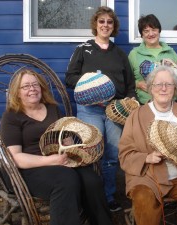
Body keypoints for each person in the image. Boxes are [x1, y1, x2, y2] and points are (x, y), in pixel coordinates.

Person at [0, 69, 113, 225]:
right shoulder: (12, 116)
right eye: (25, 86)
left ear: (41, 88)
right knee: (65, 179)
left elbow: (65, 137)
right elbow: (16, 158)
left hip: (60, 161)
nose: (32, 89)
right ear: (17, 92)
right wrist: (51, 161)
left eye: (35, 84)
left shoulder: (53, 109)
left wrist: (70, 145)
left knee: (92, 180)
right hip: (27, 170)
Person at [118, 66, 177, 225]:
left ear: (174, 89)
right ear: (150, 88)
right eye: (158, 84)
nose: (163, 88)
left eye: (168, 84)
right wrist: (147, 157)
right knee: (143, 199)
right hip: (147, 177)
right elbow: (125, 153)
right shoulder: (136, 116)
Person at [65, 6, 136, 212]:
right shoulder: (83, 49)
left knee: (112, 155)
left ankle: (109, 197)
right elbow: (70, 78)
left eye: (109, 22)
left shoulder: (120, 54)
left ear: (114, 27)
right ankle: (88, 198)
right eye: (101, 21)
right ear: (95, 25)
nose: (105, 25)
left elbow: (130, 85)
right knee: (89, 151)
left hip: (114, 111)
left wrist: (129, 102)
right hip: (89, 109)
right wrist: (92, 82)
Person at [129, 14, 177, 105]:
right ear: (142, 34)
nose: (151, 34)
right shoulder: (134, 54)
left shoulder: (171, 53)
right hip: (144, 104)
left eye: (154, 30)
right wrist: (137, 84)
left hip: (169, 104)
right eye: (146, 31)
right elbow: (126, 80)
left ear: (159, 31)